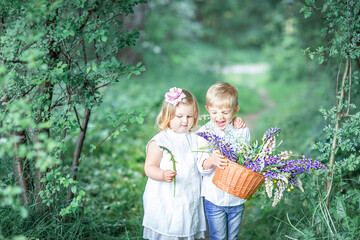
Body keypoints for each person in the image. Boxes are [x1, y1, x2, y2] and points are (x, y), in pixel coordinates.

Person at [143, 87, 206, 240]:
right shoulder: (160, 141)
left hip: (190, 193)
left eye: (190, 116)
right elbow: (149, 168)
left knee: (189, 221)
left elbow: (217, 128)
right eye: (179, 116)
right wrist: (162, 174)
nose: (185, 121)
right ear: (168, 116)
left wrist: (236, 120)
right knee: (171, 226)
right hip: (167, 197)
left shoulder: (197, 135)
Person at [197, 82, 251, 240]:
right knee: (218, 237)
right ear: (207, 109)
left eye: (225, 112)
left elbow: (246, 160)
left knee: (232, 237)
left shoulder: (241, 131)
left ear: (235, 111)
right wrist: (212, 160)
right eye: (214, 112)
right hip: (214, 197)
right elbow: (201, 166)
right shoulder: (204, 132)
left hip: (236, 196)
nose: (219, 117)